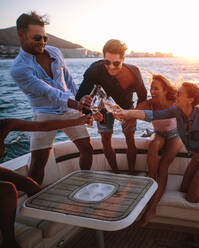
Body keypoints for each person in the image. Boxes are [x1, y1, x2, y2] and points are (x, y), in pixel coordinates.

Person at [114, 82, 199, 204]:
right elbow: (153, 115)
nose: (175, 95)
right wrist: (127, 113)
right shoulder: (176, 111)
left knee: (193, 198)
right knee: (184, 189)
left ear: (190, 100)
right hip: (195, 159)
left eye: (179, 94)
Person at [10, 12, 94, 184]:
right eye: (37, 38)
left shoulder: (55, 52)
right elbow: (48, 92)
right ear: (21, 34)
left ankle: (84, 183)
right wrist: (78, 104)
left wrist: (82, 100)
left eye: (45, 38)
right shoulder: (19, 68)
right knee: (39, 161)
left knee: (87, 148)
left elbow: (68, 78)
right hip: (44, 114)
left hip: (70, 108)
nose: (42, 42)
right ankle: (32, 197)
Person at [0, 115, 91, 248]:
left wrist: (78, 121)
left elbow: (42, 126)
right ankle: (9, 241)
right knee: (8, 190)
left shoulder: (5, 124)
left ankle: (45, 216)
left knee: (30, 184)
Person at [76, 39, 147, 174]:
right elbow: (80, 97)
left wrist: (134, 116)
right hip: (104, 107)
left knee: (130, 138)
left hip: (127, 108)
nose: (111, 67)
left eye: (116, 63)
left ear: (123, 59)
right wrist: (90, 112)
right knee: (105, 139)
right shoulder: (94, 70)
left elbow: (143, 96)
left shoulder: (134, 72)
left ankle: (132, 173)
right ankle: (115, 172)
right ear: (103, 58)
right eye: (107, 62)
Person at [128, 74, 183, 226]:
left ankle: (152, 208)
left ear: (165, 90)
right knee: (152, 146)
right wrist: (130, 118)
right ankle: (152, 181)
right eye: (151, 88)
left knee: (164, 165)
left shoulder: (174, 102)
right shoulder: (149, 104)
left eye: (157, 88)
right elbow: (133, 112)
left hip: (176, 135)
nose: (153, 91)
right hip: (159, 134)